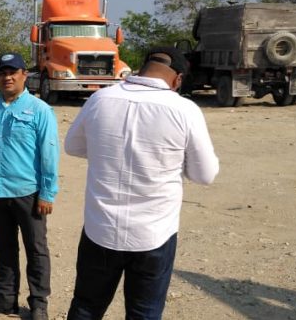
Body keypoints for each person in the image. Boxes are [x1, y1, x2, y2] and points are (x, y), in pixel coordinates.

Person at [63, 47, 219, 320]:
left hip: (101, 229)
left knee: (86, 307)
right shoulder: (184, 109)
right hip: (153, 234)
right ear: (177, 79)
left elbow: (73, 147)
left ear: (143, 66)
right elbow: (204, 175)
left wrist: (106, 150)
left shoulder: (100, 99)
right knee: (144, 313)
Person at [0, 53, 59, 320]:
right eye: (2, 72)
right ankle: (5, 300)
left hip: (28, 194)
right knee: (5, 248)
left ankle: (38, 303)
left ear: (24, 75)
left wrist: (47, 192)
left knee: (36, 249)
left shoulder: (39, 110)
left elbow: (49, 153)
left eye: (13, 72)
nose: (7, 77)